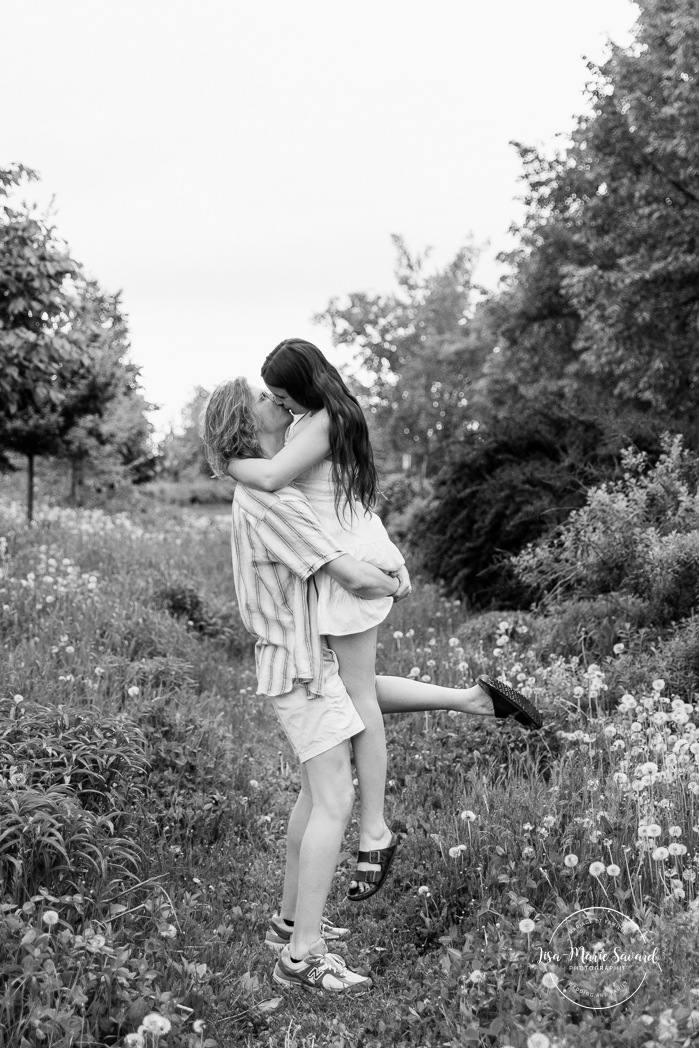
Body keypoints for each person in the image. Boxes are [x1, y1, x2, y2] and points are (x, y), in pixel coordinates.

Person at [202, 375, 543, 994]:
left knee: (315, 794)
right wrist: (394, 580)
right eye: (262, 399)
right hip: (300, 664)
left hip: (300, 658)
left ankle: (288, 926)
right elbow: (349, 574)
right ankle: (302, 959)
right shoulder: (268, 497)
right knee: (335, 800)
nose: (275, 402)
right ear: (245, 425)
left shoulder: (263, 485)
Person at [224, 338, 409, 902]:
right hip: (343, 563)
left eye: (282, 392)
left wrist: (225, 460)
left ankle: (374, 830)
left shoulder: (323, 421)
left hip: (349, 568)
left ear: (303, 386)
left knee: (359, 701)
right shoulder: (320, 416)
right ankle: (467, 699)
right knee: (349, 696)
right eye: (270, 396)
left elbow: (275, 477)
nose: (278, 402)